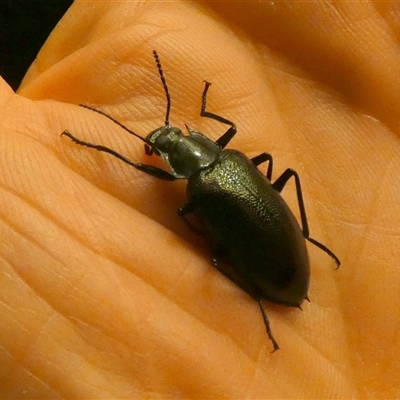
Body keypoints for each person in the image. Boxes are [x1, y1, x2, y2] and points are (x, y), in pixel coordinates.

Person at [1, 1, 399, 398]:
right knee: (275, 185)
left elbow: (186, 215)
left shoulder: (199, 189)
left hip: (274, 269)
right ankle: (298, 245)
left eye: (163, 141)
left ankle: (271, 276)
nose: (160, 141)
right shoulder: (230, 159)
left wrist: (201, 228)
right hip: (278, 244)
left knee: (215, 255)